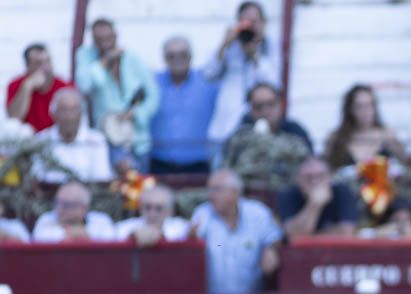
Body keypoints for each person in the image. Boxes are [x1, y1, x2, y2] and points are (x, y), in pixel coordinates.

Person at [74, 18, 160, 169]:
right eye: (99, 39)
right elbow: (85, 85)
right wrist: (104, 62)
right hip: (107, 141)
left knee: (141, 186)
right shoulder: (85, 56)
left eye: (108, 38)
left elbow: (153, 94)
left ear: (115, 35)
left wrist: (137, 114)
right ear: (93, 40)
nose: (105, 43)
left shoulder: (133, 59)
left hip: (138, 140)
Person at [189, 169, 282, 294]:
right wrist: (191, 237)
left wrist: (271, 248)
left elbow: (275, 236)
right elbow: (190, 243)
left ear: (235, 192)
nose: (211, 195)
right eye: (209, 189)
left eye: (217, 189)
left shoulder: (257, 212)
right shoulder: (202, 213)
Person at [205, 1, 282, 146]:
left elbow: (273, 84)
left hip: (257, 133)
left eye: (254, 22)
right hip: (225, 129)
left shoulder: (270, 48)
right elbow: (209, 74)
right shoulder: (230, 47)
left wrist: (254, 55)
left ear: (264, 23)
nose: (250, 27)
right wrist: (223, 45)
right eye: (244, 22)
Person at [150, 37, 218, 174]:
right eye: (171, 55)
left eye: (183, 54)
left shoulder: (209, 82)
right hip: (159, 164)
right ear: (164, 58)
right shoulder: (152, 84)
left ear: (191, 56)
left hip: (198, 165)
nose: (177, 59)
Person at [222, 82, 314, 167]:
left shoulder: (296, 133)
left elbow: (309, 165)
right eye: (258, 106)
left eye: (271, 104)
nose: (265, 111)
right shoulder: (239, 138)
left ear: (280, 105)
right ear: (250, 109)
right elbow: (226, 170)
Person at [33, 88, 114, 183]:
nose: (69, 116)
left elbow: (102, 179)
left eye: (73, 110)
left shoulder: (97, 140)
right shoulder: (41, 141)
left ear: (81, 114)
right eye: (64, 110)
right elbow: (37, 179)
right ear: (53, 114)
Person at [323, 84, 405, 172]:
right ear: (349, 109)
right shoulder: (336, 137)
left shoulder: (387, 134)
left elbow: (405, 164)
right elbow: (326, 170)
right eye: (359, 106)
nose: (365, 111)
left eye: (369, 105)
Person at [277, 156, 360, 238]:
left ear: (329, 177)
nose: (315, 181)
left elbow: (346, 234)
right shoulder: (287, 195)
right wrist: (314, 204)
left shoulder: (343, 193)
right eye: (308, 177)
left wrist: (309, 235)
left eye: (320, 176)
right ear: (298, 178)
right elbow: (293, 235)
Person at [6, 43, 72, 132]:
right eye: (39, 63)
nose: (46, 67)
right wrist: (27, 87)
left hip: (54, 140)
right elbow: (14, 119)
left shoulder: (65, 87)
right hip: (26, 142)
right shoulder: (15, 85)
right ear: (28, 67)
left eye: (48, 61)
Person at [31, 181, 117, 242]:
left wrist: (88, 237)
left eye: (67, 205)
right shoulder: (46, 220)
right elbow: (39, 239)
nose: (60, 209)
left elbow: (111, 243)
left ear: (85, 207)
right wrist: (66, 237)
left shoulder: (101, 221)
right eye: (57, 203)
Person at [113, 184, 190, 245]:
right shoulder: (124, 228)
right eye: (147, 207)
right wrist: (132, 236)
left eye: (159, 208)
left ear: (170, 211)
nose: (152, 213)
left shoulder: (182, 228)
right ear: (140, 208)